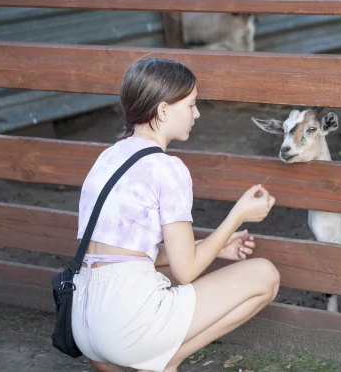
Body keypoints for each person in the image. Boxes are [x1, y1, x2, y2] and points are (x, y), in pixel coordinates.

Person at [71, 57, 280, 372]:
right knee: (265, 274)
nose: (196, 113)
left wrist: (211, 244)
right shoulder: (167, 168)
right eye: (192, 104)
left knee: (155, 278)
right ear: (165, 110)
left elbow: (131, 256)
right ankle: (169, 361)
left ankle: (140, 359)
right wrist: (238, 215)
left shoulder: (108, 158)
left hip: (85, 327)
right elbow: (186, 271)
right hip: (127, 330)